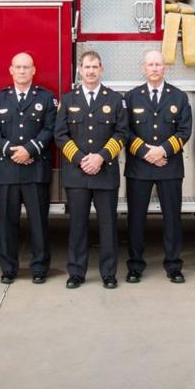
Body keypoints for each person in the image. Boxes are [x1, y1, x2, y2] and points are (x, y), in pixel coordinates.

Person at [55, 50, 127, 288]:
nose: (91, 71)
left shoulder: (114, 99)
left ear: (102, 69)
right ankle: (76, 272)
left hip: (105, 172)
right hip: (77, 174)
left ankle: (108, 273)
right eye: (87, 67)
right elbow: (60, 134)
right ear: (80, 70)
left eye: (95, 67)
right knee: (77, 225)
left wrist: (101, 157)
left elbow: (121, 134)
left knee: (108, 226)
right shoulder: (68, 99)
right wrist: (80, 159)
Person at [0, 52, 56, 283]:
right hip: (8, 170)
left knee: (38, 223)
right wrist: (12, 151)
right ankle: (8, 269)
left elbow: (50, 129)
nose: (22, 71)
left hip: (35, 170)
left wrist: (30, 150)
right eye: (18, 67)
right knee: (7, 223)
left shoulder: (46, 98)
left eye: (27, 67)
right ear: (11, 70)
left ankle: (39, 269)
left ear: (34, 70)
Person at [123, 49, 192, 284]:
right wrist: (146, 153)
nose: (154, 68)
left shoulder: (179, 97)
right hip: (139, 169)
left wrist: (162, 151)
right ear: (144, 69)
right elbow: (125, 131)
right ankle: (135, 265)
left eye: (158, 64)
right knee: (136, 219)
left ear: (165, 68)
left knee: (172, 218)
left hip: (169, 165)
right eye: (150, 65)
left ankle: (173, 265)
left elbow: (184, 131)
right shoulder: (131, 97)